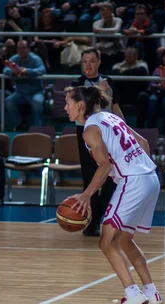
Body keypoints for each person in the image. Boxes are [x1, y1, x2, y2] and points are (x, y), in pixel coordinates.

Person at [64, 85, 163, 304]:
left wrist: (86, 195)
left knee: (106, 241)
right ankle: (151, 292)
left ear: (80, 105)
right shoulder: (109, 116)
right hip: (150, 177)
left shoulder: (89, 130)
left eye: (67, 102)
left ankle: (132, 294)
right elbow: (144, 144)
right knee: (124, 240)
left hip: (133, 181)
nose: (65, 107)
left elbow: (106, 166)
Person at [70, 48, 123, 237]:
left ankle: (98, 216)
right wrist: (98, 90)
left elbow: (115, 108)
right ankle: (91, 223)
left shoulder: (108, 81)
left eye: (92, 61)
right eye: (85, 61)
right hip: (86, 133)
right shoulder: (78, 84)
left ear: (99, 63)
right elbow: (81, 108)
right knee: (89, 178)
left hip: (108, 133)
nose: (88, 65)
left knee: (111, 177)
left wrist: (124, 130)